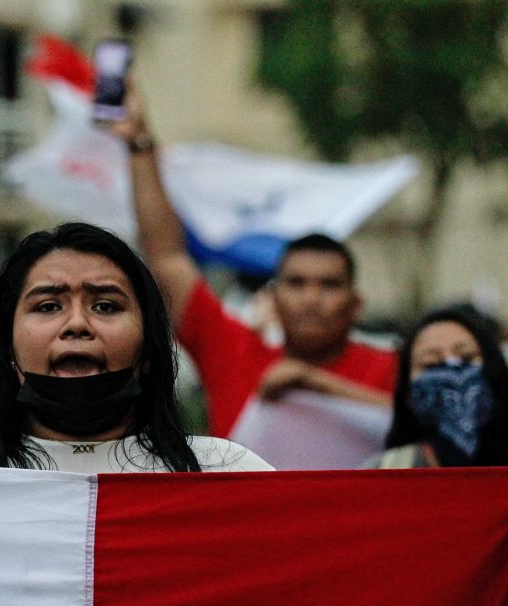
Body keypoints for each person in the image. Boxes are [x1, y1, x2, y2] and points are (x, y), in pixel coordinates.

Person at [107, 84, 397, 440]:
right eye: (296, 283)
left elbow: (438, 434)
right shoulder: (231, 353)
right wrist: (139, 144)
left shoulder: (394, 369)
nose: (311, 298)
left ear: (356, 305)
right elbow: (167, 258)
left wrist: (314, 384)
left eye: (330, 285)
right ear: (273, 298)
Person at [0, 222, 272, 473]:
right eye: (48, 306)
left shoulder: (227, 473)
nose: (77, 324)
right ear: (7, 348)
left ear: (148, 349)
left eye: (105, 306)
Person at [363, 307, 508, 544]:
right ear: (408, 395)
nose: (452, 370)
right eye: (431, 363)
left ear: (494, 374)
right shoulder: (382, 474)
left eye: (466, 358)